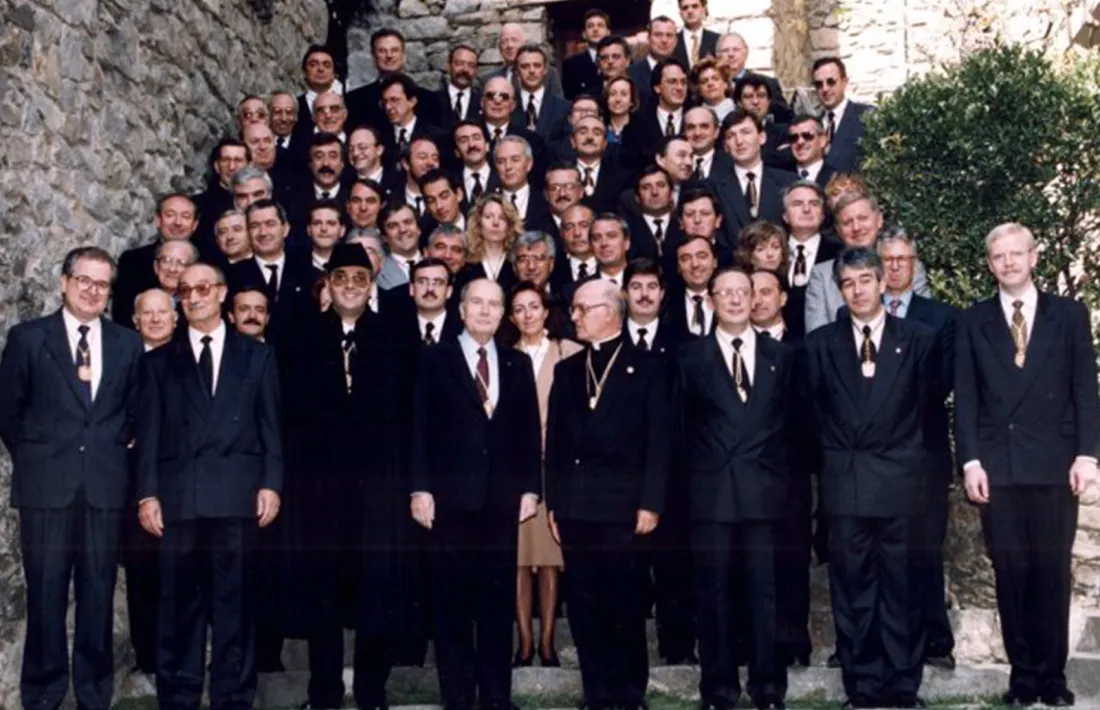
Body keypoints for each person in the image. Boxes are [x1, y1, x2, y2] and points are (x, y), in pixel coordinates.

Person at [956, 223, 1099, 707]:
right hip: (1000, 467)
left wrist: (1086, 453)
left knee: (1052, 571)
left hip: (1055, 465)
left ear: (1034, 257)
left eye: (1017, 254)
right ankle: (1022, 676)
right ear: (990, 263)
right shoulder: (972, 321)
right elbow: (968, 398)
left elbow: (1085, 388)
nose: (1009, 262)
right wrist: (971, 460)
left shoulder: (1069, 314)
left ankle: (1053, 678)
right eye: (999, 256)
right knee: (1011, 571)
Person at [134, 262, 283, 710]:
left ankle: (233, 698)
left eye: (202, 288)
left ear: (221, 293)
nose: (194, 297)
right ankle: (178, 698)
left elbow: (271, 427)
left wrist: (271, 484)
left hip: (237, 497)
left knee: (235, 606)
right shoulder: (158, 362)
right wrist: (147, 494)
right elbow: (150, 434)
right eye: (185, 291)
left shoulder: (257, 355)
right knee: (178, 609)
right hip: (180, 499)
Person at [0, 247, 143, 710]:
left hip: (104, 488)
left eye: (101, 284)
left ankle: (94, 694)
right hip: (46, 489)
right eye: (83, 280)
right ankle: (42, 695)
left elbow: (132, 410)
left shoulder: (126, 343)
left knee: (98, 594)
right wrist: (42, 456)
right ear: (64, 282)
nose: (91, 290)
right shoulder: (28, 338)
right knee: (44, 595)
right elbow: (8, 412)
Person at [803, 248, 938, 709]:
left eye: (865, 280)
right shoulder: (820, 344)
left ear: (884, 282)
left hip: (901, 483)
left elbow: (926, 413)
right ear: (839, 290)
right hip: (846, 482)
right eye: (848, 283)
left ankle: (902, 688)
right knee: (853, 591)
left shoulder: (919, 340)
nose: (858, 290)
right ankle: (861, 689)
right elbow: (813, 416)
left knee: (902, 588)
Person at [282, 243, 406, 710]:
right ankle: (325, 692)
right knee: (323, 595)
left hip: (379, 490)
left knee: (378, 591)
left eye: (359, 278)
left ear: (370, 285)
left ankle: (372, 690)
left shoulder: (394, 335)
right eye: (341, 278)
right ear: (328, 284)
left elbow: (406, 413)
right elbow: (290, 415)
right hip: (320, 491)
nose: (350, 286)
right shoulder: (302, 337)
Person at [410, 278, 542, 710]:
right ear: (461, 309)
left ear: (503, 313)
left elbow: (527, 432)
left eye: (494, 305)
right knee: (450, 606)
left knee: (496, 603)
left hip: (501, 503)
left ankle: (497, 698)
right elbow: (418, 430)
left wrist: (530, 489)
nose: (485, 311)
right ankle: (459, 698)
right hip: (448, 502)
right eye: (477, 303)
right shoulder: (433, 359)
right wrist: (419, 488)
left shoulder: (517, 363)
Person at [545, 279, 673, 710]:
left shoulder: (651, 366)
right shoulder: (567, 370)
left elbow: (660, 442)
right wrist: (555, 504)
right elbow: (557, 446)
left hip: (625, 506)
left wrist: (651, 502)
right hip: (578, 507)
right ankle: (596, 691)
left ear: (610, 311)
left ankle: (629, 692)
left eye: (582, 309)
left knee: (625, 599)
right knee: (583, 602)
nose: (574, 316)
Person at [676, 265, 794, 710]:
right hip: (711, 494)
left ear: (756, 298)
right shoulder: (690, 358)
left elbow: (791, 427)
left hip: (763, 492)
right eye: (724, 293)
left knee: (765, 593)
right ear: (710, 301)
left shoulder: (780, 356)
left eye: (742, 292)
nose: (735, 300)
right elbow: (680, 431)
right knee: (714, 594)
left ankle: (767, 687)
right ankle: (718, 688)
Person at [876, 228, 958, 671]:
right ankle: (883, 640)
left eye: (902, 259)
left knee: (925, 547)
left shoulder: (941, 318)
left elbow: (940, 383)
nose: (894, 267)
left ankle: (935, 641)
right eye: (887, 259)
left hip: (922, 452)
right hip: (873, 457)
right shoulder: (860, 313)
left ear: (915, 263)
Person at [509, 281, 582, 668]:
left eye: (533, 307)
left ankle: (548, 642)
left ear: (545, 310)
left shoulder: (568, 352)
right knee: (519, 561)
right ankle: (524, 643)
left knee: (551, 560)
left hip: (556, 469)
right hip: (518, 472)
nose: (527, 315)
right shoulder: (505, 356)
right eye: (518, 309)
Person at [812, 57, 873, 173]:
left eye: (831, 82)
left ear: (844, 82)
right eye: (819, 84)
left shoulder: (866, 117)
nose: (825, 89)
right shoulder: (814, 125)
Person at [563, 9, 611, 100]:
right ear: (584, 34)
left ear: (608, 32)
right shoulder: (571, 65)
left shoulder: (620, 61)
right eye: (590, 26)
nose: (595, 29)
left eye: (600, 25)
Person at [603, 76, 639, 145]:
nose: (618, 99)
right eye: (612, 94)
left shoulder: (642, 131)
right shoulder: (600, 128)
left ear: (632, 101)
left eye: (624, 94)